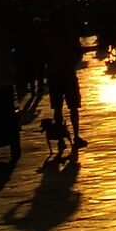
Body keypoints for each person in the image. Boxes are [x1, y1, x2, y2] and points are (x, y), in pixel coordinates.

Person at [39, 11, 86, 153]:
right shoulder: (69, 35)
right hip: (68, 75)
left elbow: (43, 56)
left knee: (58, 109)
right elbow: (78, 54)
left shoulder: (48, 37)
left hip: (54, 76)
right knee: (73, 108)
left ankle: (60, 139)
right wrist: (69, 63)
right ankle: (76, 136)